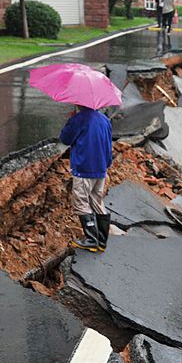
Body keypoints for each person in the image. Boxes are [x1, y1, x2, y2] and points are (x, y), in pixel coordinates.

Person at [59, 105, 113, 253]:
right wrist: (107, 163)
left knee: (81, 202)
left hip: (84, 168)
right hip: (101, 167)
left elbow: (65, 138)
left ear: (79, 103)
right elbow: (109, 145)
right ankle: (101, 240)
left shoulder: (79, 119)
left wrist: (70, 121)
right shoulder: (104, 120)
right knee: (96, 201)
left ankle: (91, 239)